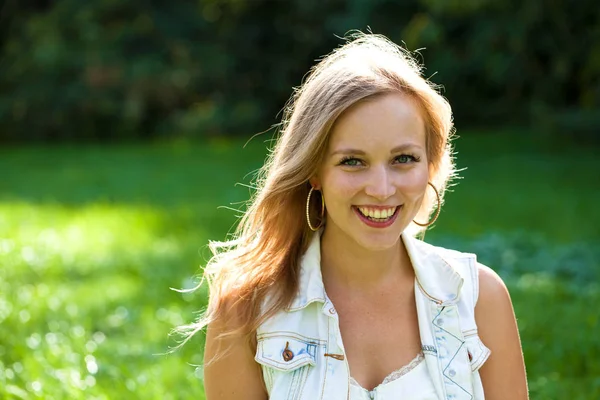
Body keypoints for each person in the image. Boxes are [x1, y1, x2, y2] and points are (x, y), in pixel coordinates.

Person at [192, 32, 528, 399]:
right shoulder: (246, 309)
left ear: (429, 166)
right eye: (353, 161)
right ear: (314, 171)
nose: (381, 189)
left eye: (403, 159)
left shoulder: (479, 298)